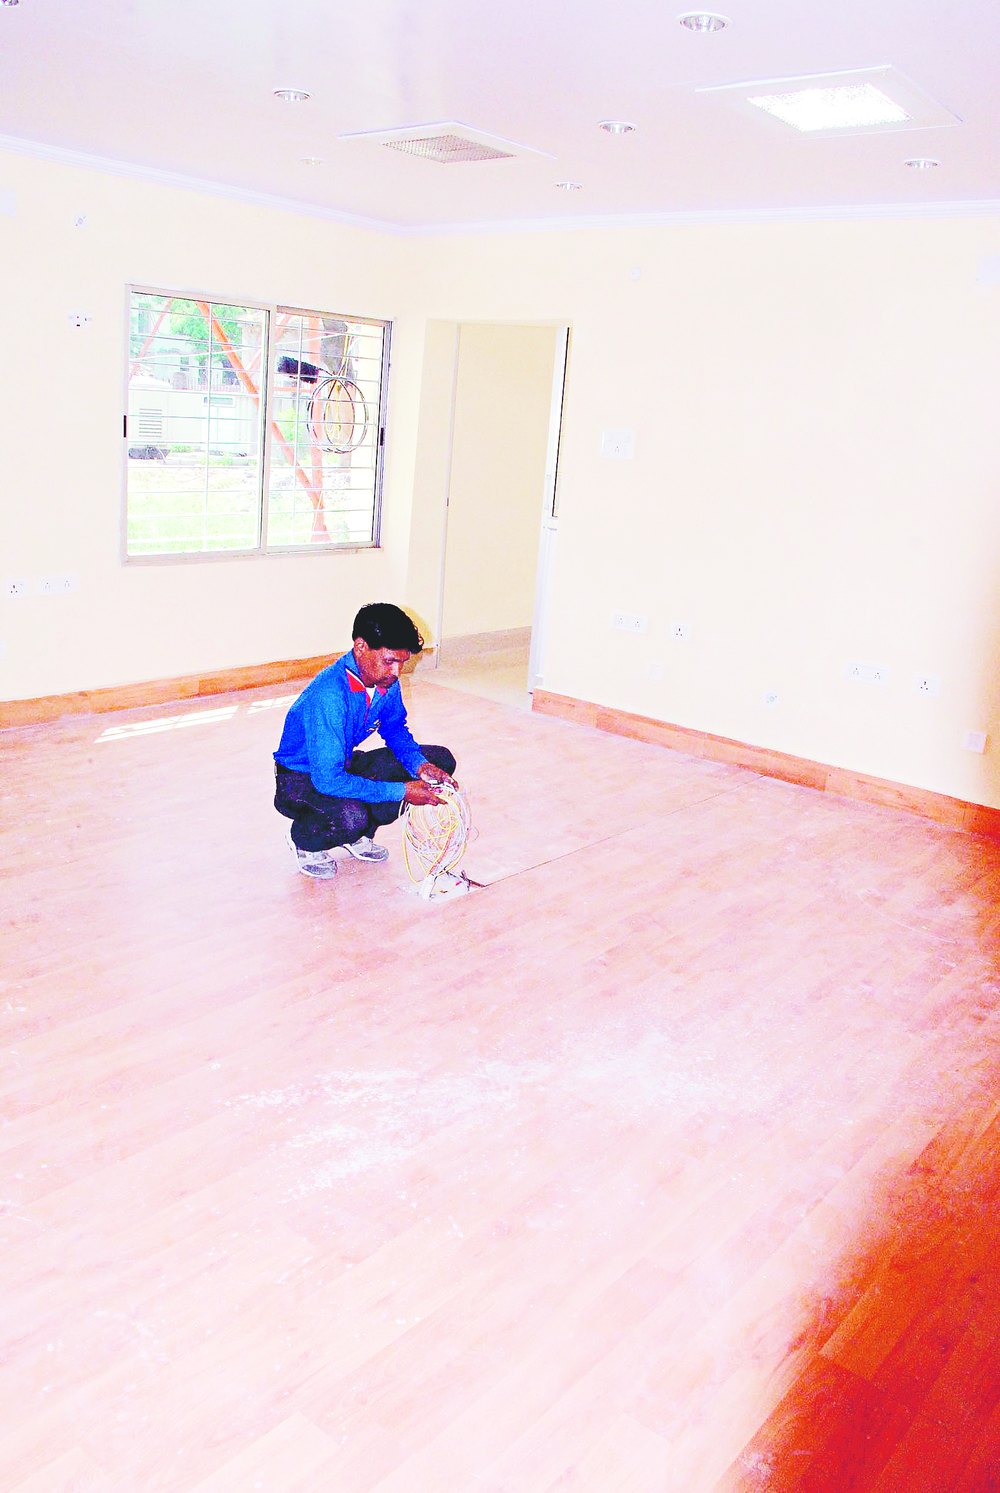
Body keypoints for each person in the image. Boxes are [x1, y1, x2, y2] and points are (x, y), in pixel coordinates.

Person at [273, 603, 457, 879]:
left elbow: (394, 729)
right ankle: (306, 839)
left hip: (341, 764)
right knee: (351, 816)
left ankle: (357, 834)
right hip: (300, 780)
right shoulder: (329, 695)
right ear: (360, 647)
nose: (396, 672)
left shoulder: (386, 682)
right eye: (389, 661)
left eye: (402, 663)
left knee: (440, 760)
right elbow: (328, 780)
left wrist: (420, 766)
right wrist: (401, 791)